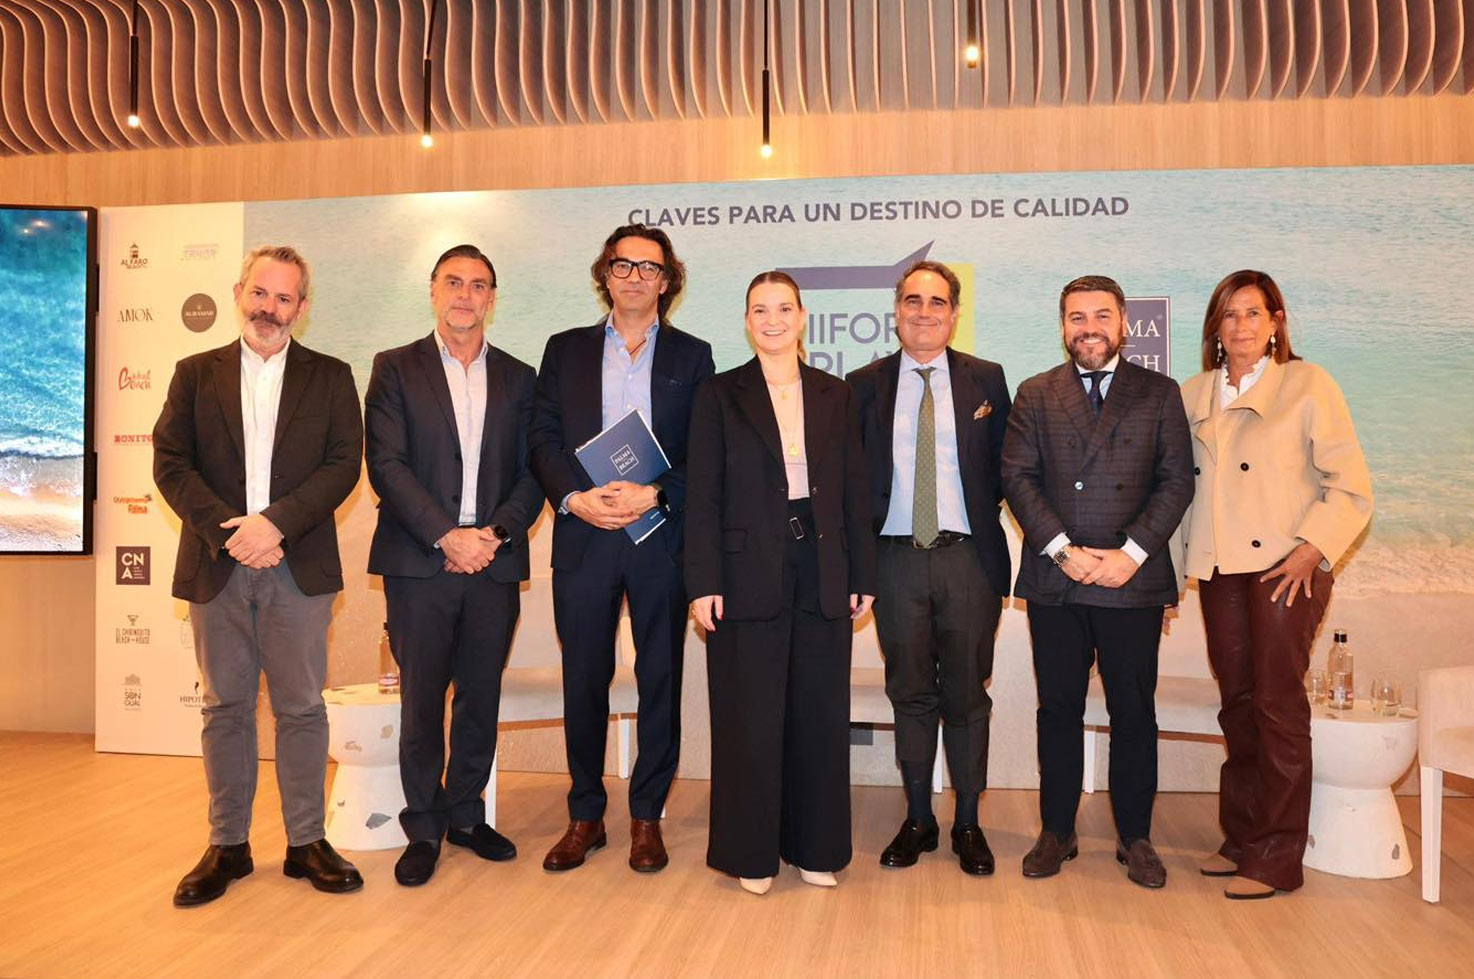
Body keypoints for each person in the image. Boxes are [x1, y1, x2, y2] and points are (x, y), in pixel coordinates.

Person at [154, 245, 365, 906]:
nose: (269, 308)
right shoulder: (194, 374)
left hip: (296, 564)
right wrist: (233, 534)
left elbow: (343, 464)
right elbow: (170, 463)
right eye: (260, 293)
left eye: (284, 298)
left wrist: (273, 525)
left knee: (301, 706)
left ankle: (306, 843)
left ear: (301, 308)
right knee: (225, 707)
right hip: (217, 565)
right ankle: (228, 845)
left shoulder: (331, 376)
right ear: (239, 292)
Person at [1176, 270, 1372, 900]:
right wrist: (1172, 573)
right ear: (1215, 326)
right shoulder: (1194, 392)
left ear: (1276, 322)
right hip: (1219, 570)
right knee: (1237, 703)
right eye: (1229, 315)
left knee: (1278, 706)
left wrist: (1311, 551)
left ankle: (1278, 856)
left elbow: (1350, 486)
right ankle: (1242, 838)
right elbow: (1180, 491)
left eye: (1253, 313)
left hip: (1287, 570)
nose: (1241, 326)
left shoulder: (1308, 384)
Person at [530, 225, 715, 873]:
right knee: (584, 676)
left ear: (667, 281)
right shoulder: (565, 350)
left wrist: (656, 494)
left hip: (659, 536)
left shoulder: (693, 356)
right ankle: (585, 814)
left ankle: (646, 816)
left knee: (661, 676)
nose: (635, 276)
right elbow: (542, 437)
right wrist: (573, 498)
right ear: (605, 274)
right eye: (622, 264)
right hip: (585, 533)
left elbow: (704, 450)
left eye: (648, 267)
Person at [685, 270, 876, 895]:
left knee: (819, 714)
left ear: (802, 317)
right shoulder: (719, 394)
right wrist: (702, 581)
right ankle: (751, 853)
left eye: (784, 308)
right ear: (747, 321)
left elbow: (853, 490)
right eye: (760, 310)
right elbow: (702, 495)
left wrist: (861, 573)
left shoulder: (835, 394)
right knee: (749, 717)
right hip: (744, 571)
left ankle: (815, 848)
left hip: (822, 566)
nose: (773, 320)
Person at [1001, 275, 1194, 888]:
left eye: (1101, 316)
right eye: (1077, 317)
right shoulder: (1035, 392)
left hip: (1131, 581)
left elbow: (1176, 481)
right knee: (1057, 709)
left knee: (1133, 712)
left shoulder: (1159, 392)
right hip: (1058, 579)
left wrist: (1130, 554)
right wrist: (1062, 550)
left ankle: (1135, 838)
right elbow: (1017, 478)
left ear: (1124, 323)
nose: (1089, 328)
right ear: (1063, 326)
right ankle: (1056, 831)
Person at [364, 244, 545, 887]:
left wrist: (493, 535)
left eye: (478, 284)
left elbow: (534, 471)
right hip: (421, 562)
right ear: (434, 290)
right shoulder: (394, 368)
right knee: (420, 702)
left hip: (493, 560)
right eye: (454, 282)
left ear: (492, 297)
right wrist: (447, 537)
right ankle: (423, 826)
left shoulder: (521, 377)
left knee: (479, 696)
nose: (466, 295)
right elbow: (386, 465)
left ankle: (467, 815)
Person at [847, 260, 1012, 875]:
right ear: (896, 311)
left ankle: (968, 822)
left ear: (954, 313)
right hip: (893, 561)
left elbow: (1009, 468)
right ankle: (918, 819)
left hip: (967, 559)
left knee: (967, 695)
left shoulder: (987, 379)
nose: (924, 312)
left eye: (937, 302)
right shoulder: (862, 385)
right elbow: (850, 482)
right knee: (910, 691)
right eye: (912, 301)